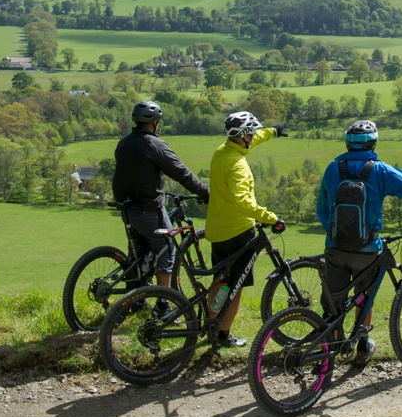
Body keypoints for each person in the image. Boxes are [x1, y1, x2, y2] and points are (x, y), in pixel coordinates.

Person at [317, 119, 402, 367]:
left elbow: (322, 209)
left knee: (334, 301)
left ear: (347, 143)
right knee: (365, 298)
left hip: (335, 249)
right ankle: (363, 346)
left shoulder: (332, 169)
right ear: (373, 143)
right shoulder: (380, 170)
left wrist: (336, 234)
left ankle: (330, 352)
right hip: (367, 250)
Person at [204, 110, 288, 348]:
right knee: (235, 287)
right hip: (238, 233)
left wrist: (272, 132)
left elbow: (253, 138)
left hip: (217, 230)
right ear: (243, 136)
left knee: (221, 282)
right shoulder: (238, 165)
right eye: (250, 134)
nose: (252, 137)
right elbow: (244, 203)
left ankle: (212, 323)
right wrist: (271, 218)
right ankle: (223, 334)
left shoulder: (222, 151)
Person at [111, 100, 210, 288]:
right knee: (167, 251)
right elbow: (181, 172)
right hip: (147, 209)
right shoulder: (153, 144)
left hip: (127, 208)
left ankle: (135, 299)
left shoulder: (123, 142)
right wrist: (205, 192)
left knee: (137, 254)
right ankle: (163, 305)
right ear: (155, 122)